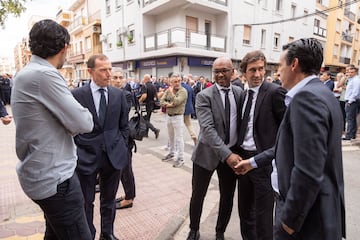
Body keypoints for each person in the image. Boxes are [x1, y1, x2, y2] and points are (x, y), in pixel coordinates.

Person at [237, 38, 346, 240]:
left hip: (305, 222)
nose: (278, 72)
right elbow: (287, 147)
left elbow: (308, 171)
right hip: (322, 215)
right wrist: (252, 162)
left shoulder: (306, 99)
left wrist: (288, 223)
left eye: (280, 65)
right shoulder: (324, 94)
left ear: (294, 64)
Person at [11, 19, 93, 239]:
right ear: (64, 48)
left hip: (39, 175)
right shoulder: (44, 75)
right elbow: (84, 123)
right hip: (57, 181)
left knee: (56, 233)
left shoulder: (25, 73)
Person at [72, 54, 129, 240]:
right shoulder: (77, 95)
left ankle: (107, 233)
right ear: (90, 71)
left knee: (109, 200)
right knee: (86, 201)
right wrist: (78, 150)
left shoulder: (118, 94)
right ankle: (89, 234)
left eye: (110, 69)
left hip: (113, 156)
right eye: (103, 70)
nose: (109, 74)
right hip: (86, 157)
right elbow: (71, 127)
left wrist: (121, 146)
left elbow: (124, 125)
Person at [186, 57, 243, 240]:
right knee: (198, 195)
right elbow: (208, 130)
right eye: (216, 71)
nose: (219, 75)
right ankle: (194, 229)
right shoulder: (204, 96)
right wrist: (227, 155)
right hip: (207, 154)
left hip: (232, 154)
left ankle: (220, 232)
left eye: (224, 70)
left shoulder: (240, 94)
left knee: (227, 196)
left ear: (232, 71)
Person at [233, 50, 286, 240]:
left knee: (263, 217)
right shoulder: (242, 95)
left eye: (261, 69)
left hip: (262, 162)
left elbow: (285, 133)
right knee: (245, 211)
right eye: (252, 70)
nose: (257, 74)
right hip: (242, 160)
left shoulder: (275, 92)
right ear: (244, 73)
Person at [111, 68, 136, 210]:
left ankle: (129, 198)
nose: (118, 80)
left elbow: (120, 114)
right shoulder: (109, 93)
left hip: (123, 138)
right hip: (114, 138)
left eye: (121, 77)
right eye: (115, 77)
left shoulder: (125, 95)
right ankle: (128, 194)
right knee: (121, 170)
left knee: (126, 170)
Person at [160, 73, 188, 168]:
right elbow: (161, 101)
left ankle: (180, 158)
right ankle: (171, 153)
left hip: (178, 117)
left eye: (179, 81)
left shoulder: (183, 91)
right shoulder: (168, 90)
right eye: (175, 82)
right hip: (169, 116)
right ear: (171, 82)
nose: (177, 83)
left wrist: (171, 94)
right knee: (170, 137)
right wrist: (169, 105)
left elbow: (176, 102)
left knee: (179, 138)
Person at [138, 74, 160, 139]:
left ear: (146, 79)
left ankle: (155, 130)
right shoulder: (153, 86)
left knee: (144, 119)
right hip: (151, 104)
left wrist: (139, 101)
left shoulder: (144, 86)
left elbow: (144, 96)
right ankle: (146, 133)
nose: (143, 80)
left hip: (145, 105)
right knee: (147, 118)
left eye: (144, 79)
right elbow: (156, 95)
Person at [343, 64, 360, 140]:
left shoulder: (356, 80)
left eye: (352, 72)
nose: (349, 74)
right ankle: (352, 135)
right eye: (349, 72)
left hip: (352, 101)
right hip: (350, 101)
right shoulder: (351, 79)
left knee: (350, 119)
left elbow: (355, 92)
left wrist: (350, 101)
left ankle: (349, 135)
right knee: (351, 119)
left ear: (356, 72)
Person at [181, 75, 197, 145]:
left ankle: (177, 141)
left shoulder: (179, 87)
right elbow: (193, 98)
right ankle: (193, 135)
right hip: (189, 108)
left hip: (180, 109)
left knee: (177, 126)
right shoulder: (189, 87)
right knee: (188, 124)